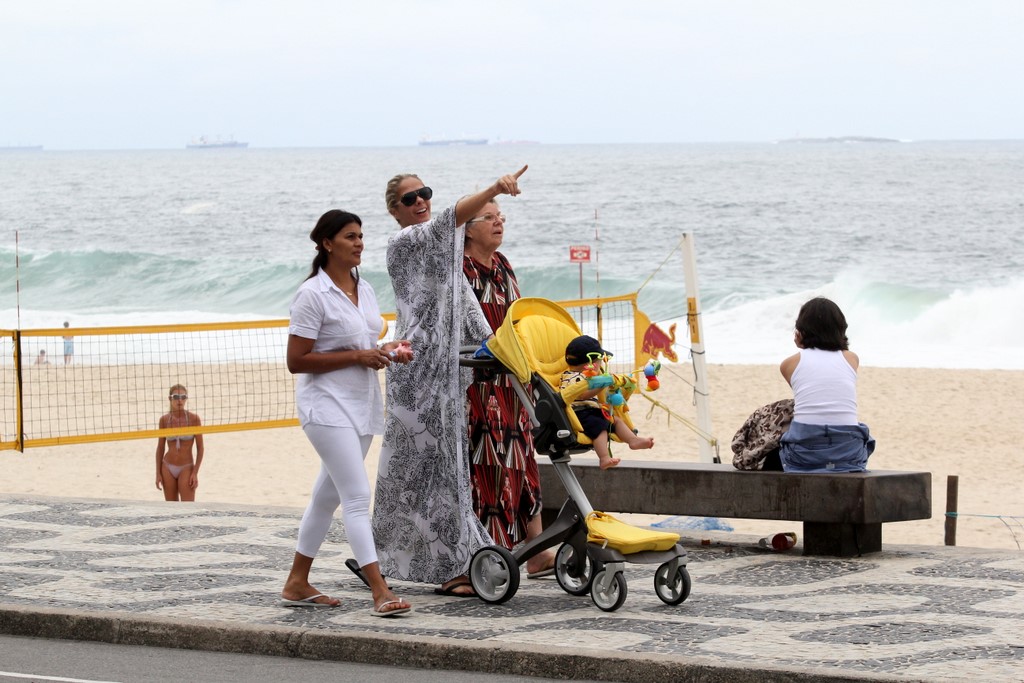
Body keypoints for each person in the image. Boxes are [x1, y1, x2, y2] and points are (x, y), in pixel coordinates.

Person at [371, 166, 527, 598]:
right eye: (409, 198)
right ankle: (405, 561)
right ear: (394, 211)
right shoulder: (404, 242)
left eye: (425, 193)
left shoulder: (443, 252)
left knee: (448, 474)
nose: (420, 201)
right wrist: (495, 188)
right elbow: (450, 219)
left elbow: (469, 308)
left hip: (447, 377)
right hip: (417, 375)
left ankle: (452, 561)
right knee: (412, 476)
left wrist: (499, 348)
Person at [281, 209, 413, 616]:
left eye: (361, 236)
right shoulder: (312, 295)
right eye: (350, 237)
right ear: (326, 244)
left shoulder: (366, 288)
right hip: (325, 408)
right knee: (356, 497)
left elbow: (367, 339)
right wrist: (358, 355)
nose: (359, 243)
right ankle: (380, 591)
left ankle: (297, 581)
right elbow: (297, 360)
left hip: (362, 405)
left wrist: (389, 350)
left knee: (327, 497)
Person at [463, 201, 556, 579]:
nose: (499, 222)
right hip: (479, 380)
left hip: (513, 379)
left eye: (501, 216)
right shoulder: (460, 270)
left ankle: (536, 552)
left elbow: (516, 318)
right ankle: (495, 554)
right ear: (467, 229)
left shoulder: (502, 265)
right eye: (490, 217)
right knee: (489, 466)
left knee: (523, 459)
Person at [778, 297, 875, 472]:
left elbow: (808, 396)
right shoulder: (851, 359)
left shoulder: (789, 365)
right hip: (849, 455)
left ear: (800, 332)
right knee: (864, 434)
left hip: (804, 457)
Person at [559, 335, 654, 469]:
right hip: (579, 413)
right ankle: (604, 458)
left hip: (590, 411)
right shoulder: (572, 377)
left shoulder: (588, 376)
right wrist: (601, 385)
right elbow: (581, 395)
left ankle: (633, 440)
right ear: (592, 364)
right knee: (601, 429)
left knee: (616, 420)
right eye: (600, 361)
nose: (602, 364)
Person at [155, 384, 204, 502]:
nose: (180, 400)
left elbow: (200, 448)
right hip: (167, 466)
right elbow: (160, 448)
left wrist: (195, 472)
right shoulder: (164, 420)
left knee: (188, 509)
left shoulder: (194, 419)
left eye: (183, 397)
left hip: (186, 467)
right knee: (172, 509)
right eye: (176, 397)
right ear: (170, 399)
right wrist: (158, 473)